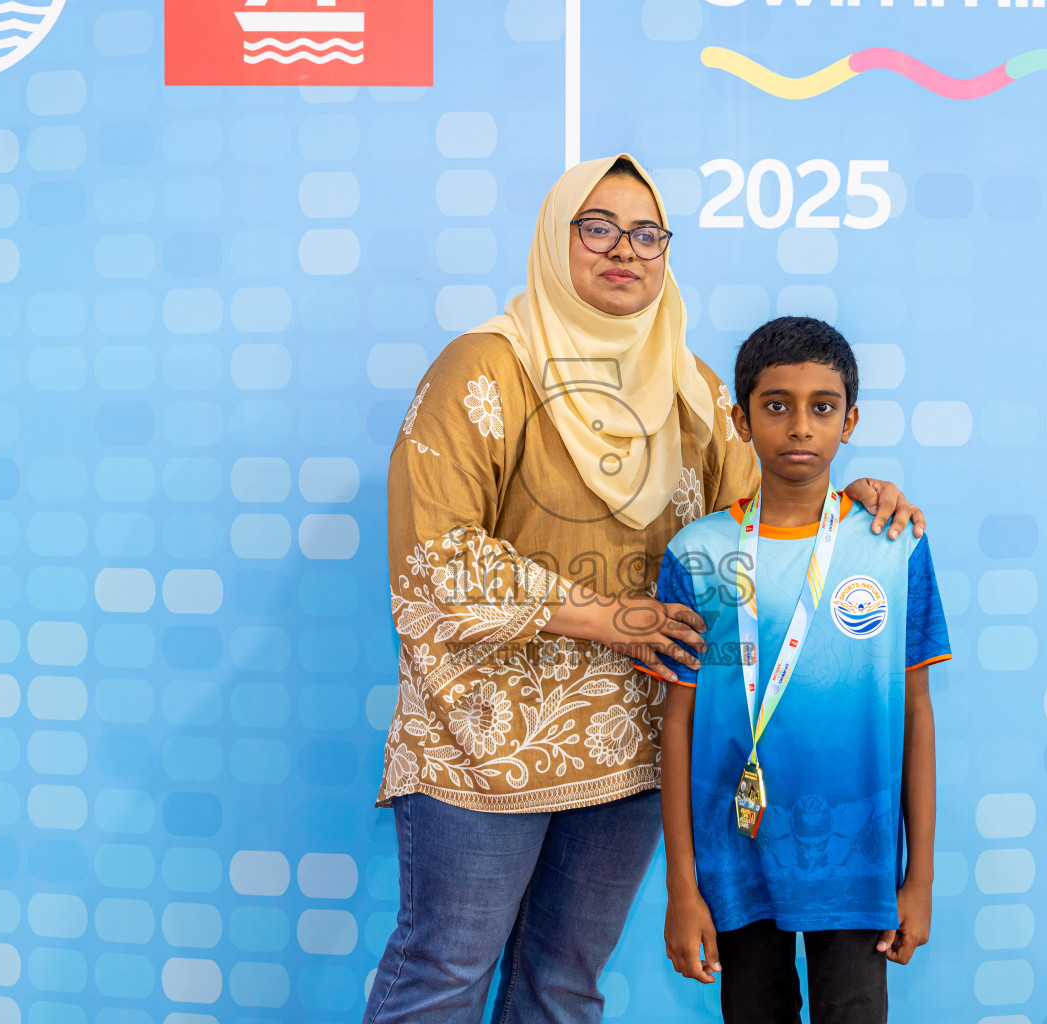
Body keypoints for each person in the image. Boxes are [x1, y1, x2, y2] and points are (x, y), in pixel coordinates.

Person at [365, 156, 924, 1024]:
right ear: (557, 240)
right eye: (597, 228)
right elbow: (431, 559)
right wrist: (607, 618)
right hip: (484, 748)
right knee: (447, 971)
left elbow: (769, 509)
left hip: (629, 751)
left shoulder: (693, 389)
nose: (623, 250)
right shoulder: (485, 368)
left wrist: (858, 505)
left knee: (564, 981)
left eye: (646, 233)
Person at [658, 317, 951, 1024]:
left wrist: (921, 878)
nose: (799, 426)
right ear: (741, 417)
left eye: (822, 407)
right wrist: (682, 889)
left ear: (849, 421)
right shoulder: (698, 553)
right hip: (738, 856)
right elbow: (678, 723)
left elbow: (916, 711)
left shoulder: (894, 544)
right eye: (776, 404)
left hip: (857, 862)